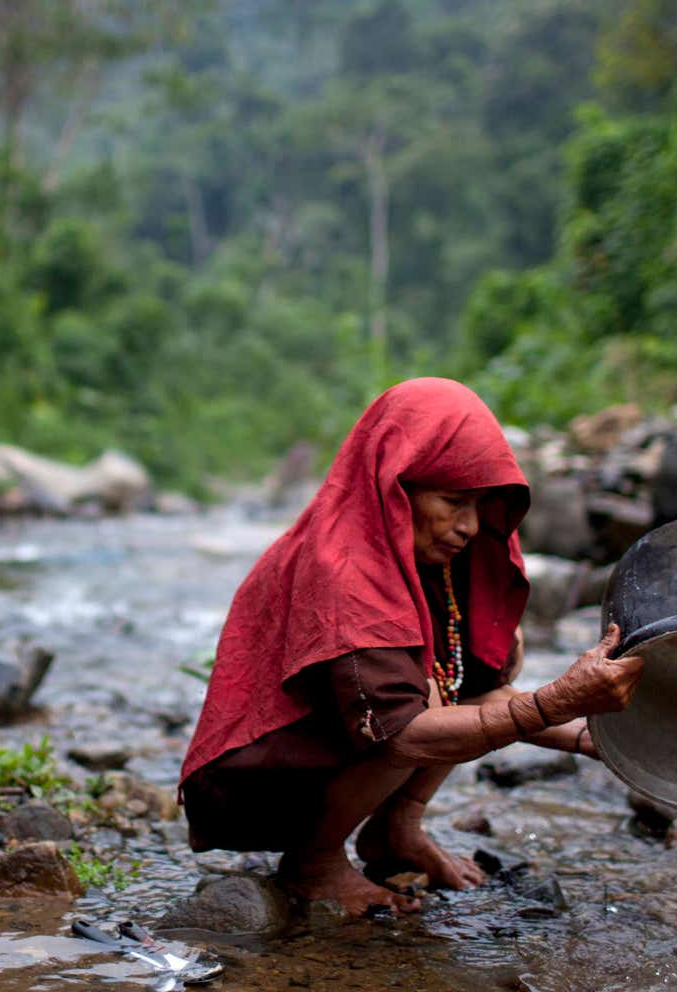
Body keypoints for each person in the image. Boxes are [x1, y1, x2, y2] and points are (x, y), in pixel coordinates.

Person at [179, 378, 644, 915]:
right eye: (452, 501)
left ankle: (397, 827)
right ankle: (314, 864)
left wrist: (590, 735)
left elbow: (475, 692)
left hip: (356, 740)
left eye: (480, 505)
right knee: (417, 704)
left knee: (461, 668)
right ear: (395, 486)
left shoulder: (439, 559)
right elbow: (399, 734)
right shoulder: (348, 566)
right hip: (259, 779)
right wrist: (556, 701)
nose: (470, 526)